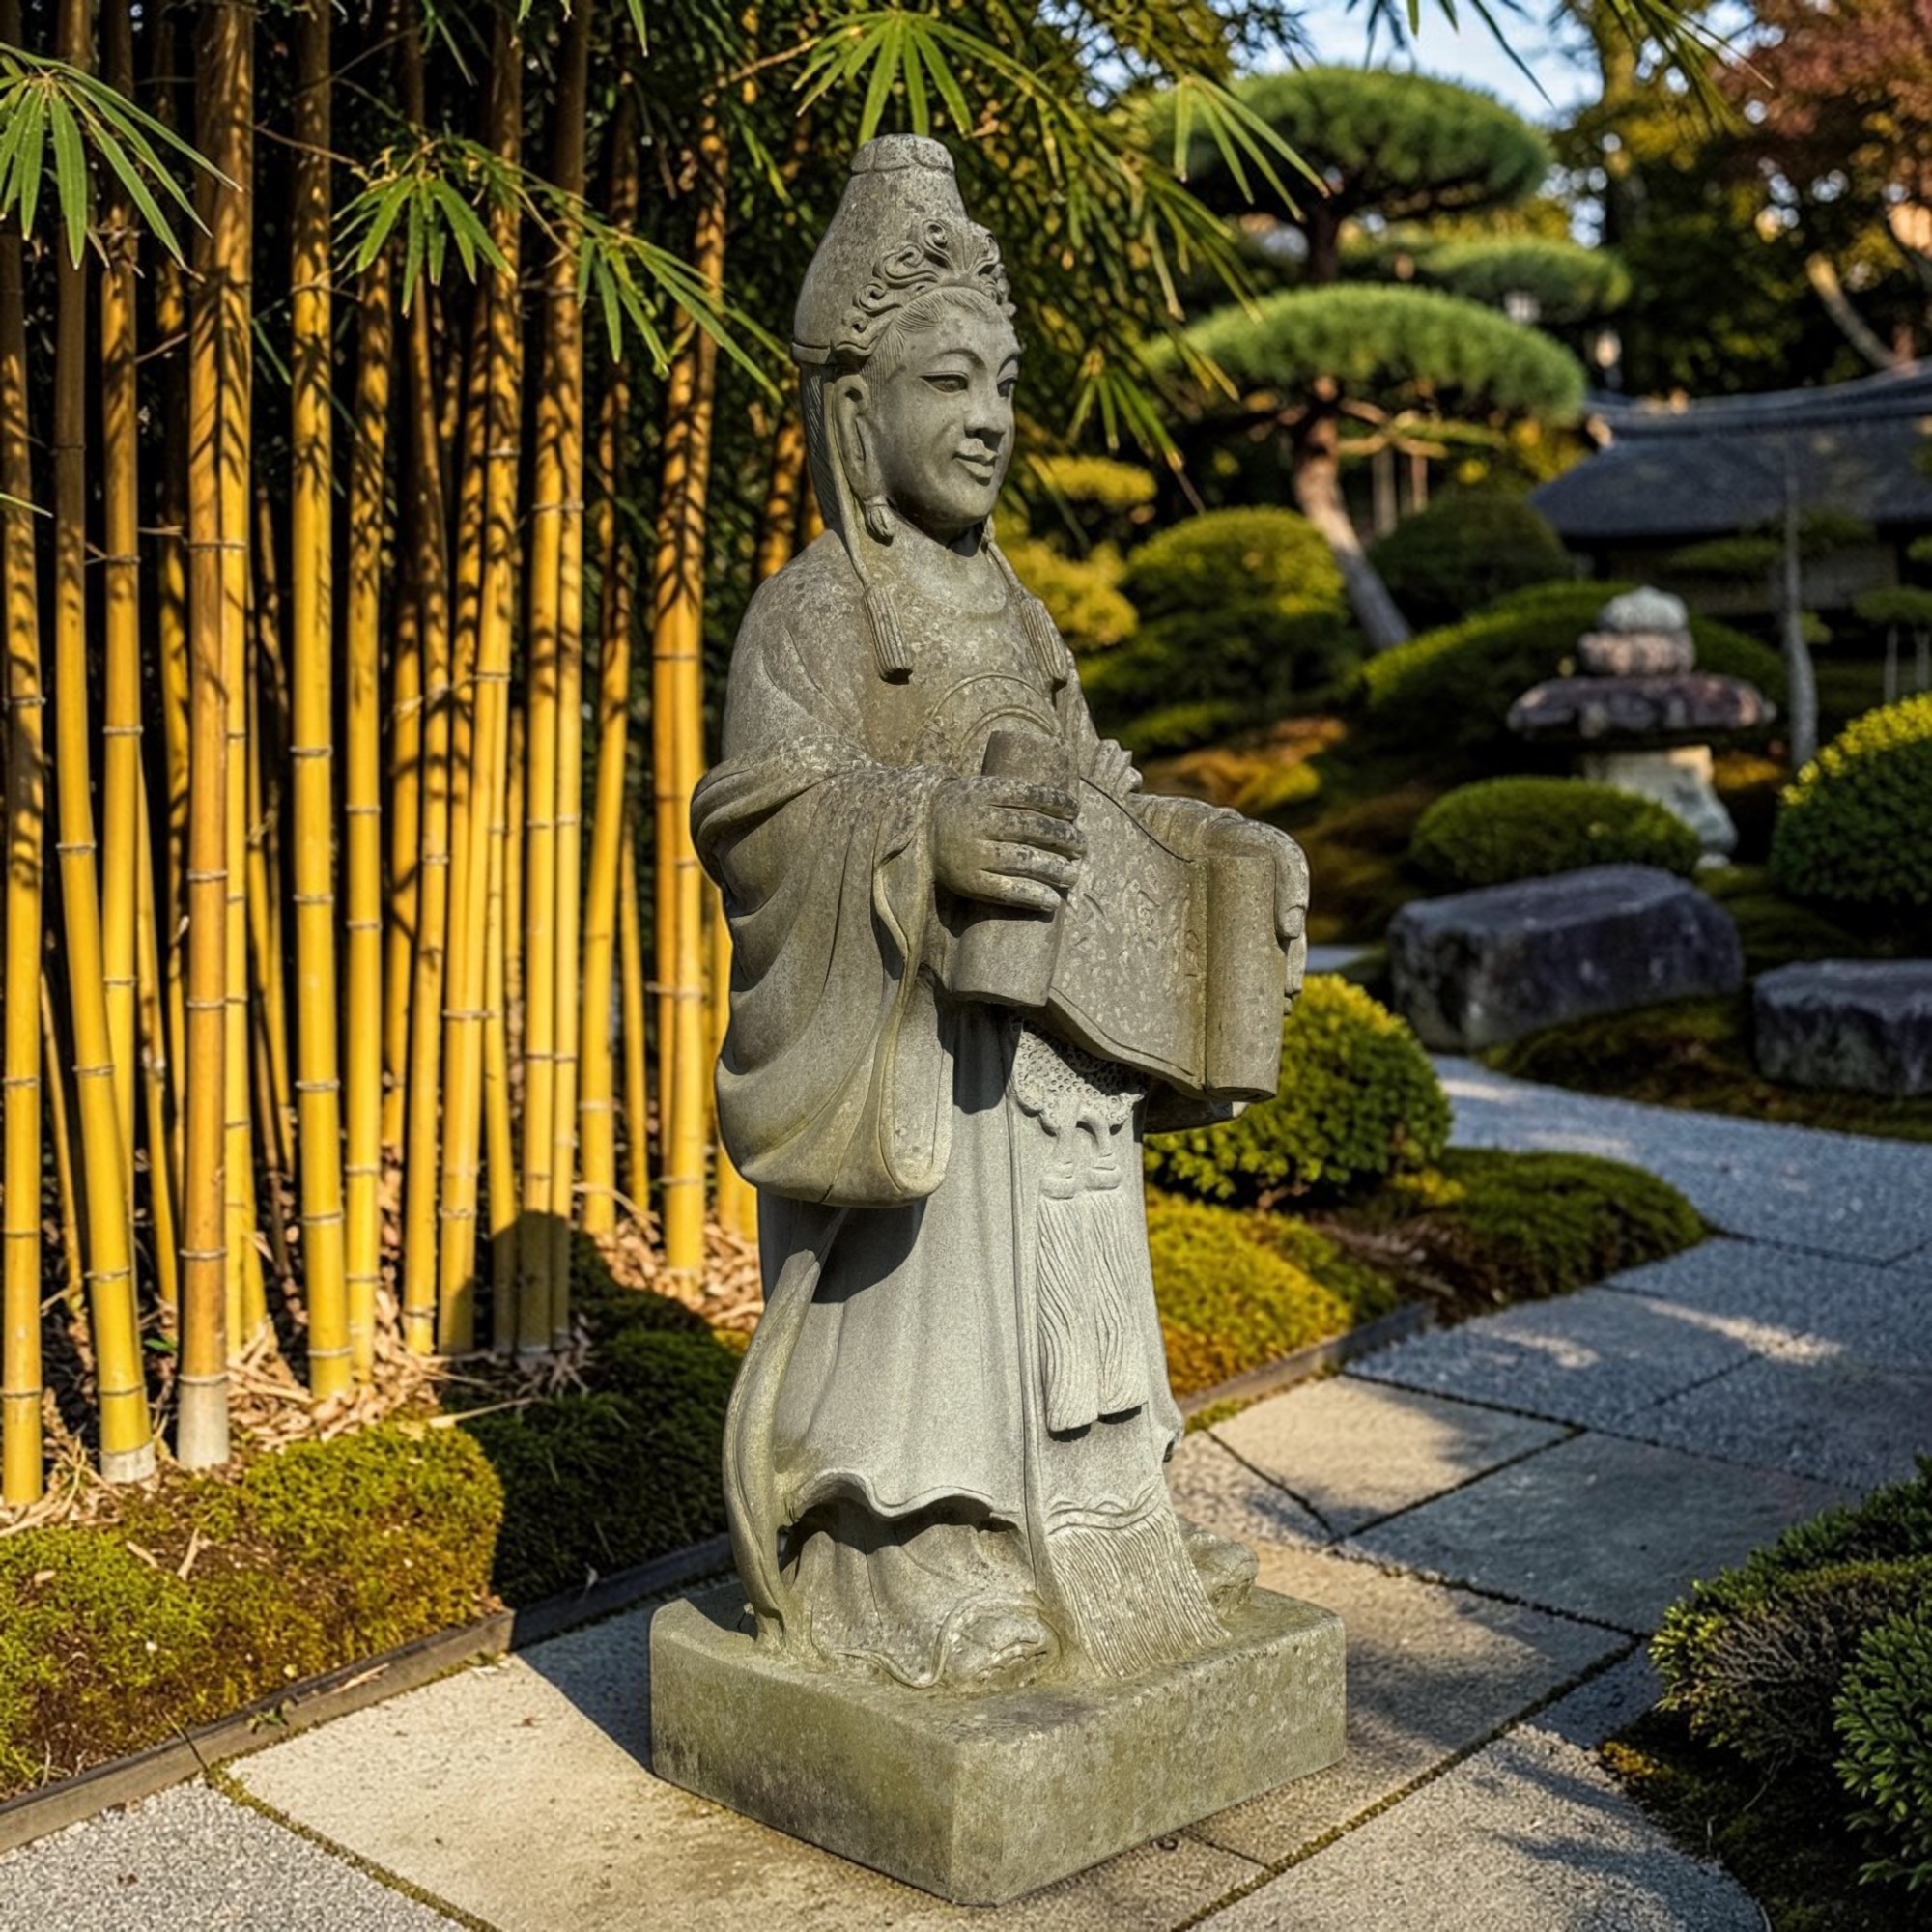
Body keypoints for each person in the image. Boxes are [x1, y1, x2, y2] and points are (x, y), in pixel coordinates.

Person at [692, 136, 1307, 1691]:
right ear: (856, 405)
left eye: (1006, 387)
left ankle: (1101, 1523)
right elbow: (760, 818)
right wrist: (920, 837)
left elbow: (1096, 783)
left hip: (1059, 1067)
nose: (988, 421)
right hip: (919, 1053)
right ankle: (910, 1548)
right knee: (936, 1319)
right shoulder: (818, 608)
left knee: (1080, 1305)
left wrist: (1221, 847)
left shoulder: (1018, 604)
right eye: (948, 381)